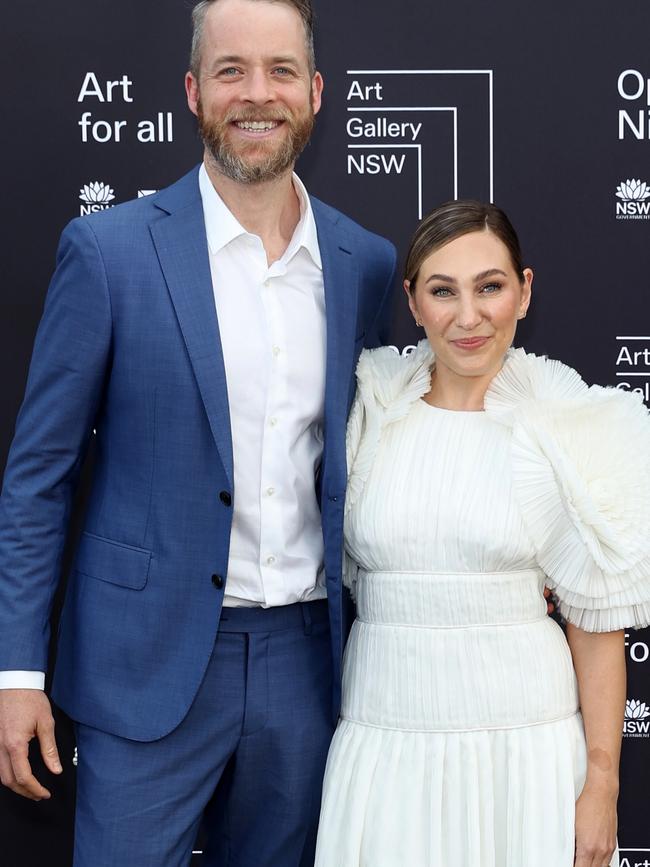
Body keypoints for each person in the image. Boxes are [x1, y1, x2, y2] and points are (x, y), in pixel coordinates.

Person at [0, 1, 396, 864]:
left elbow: (394, 442)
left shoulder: (364, 262)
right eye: (231, 71)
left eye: (281, 71)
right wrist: (17, 673)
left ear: (317, 92)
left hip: (307, 663)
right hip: (144, 662)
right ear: (192, 91)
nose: (258, 93)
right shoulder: (108, 253)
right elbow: (39, 478)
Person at [314, 199, 650, 867]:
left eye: (489, 286)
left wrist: (602, 783)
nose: (469, 316)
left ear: (523, 291)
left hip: (524, 758)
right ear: (412, 302)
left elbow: (595, 626)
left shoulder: (569, 426)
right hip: (385, 747)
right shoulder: (368, 411)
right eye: (443, 291)